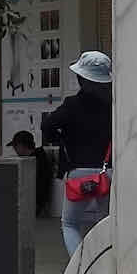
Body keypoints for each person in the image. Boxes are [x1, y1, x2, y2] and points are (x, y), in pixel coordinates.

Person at [44, 50, 112, 253]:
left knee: (70, 223)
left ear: (82, 79)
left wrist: (61, 138)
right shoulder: (113, 105)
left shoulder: (72, 104)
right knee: (105, 223)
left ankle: (79, 266)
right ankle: (104, 263)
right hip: (107, 172)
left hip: (78, 174)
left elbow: (48, 125)